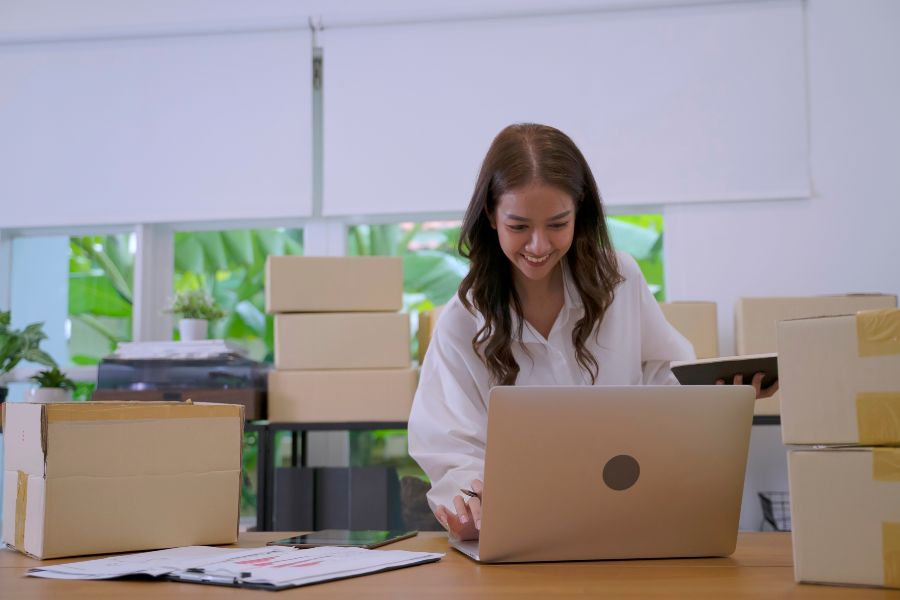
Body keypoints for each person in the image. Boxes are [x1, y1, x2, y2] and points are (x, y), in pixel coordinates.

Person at [407, 123, 775, 542]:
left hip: (626, 513)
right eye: (519, 226)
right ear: (491, 215)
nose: (539, 245)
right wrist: (471, 497)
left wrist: (722, 395)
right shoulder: (465, 319)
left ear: (579, 214)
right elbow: (449, 443)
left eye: (558, 224)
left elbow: (665, 381)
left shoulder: (618, 279)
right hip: (523, 530)